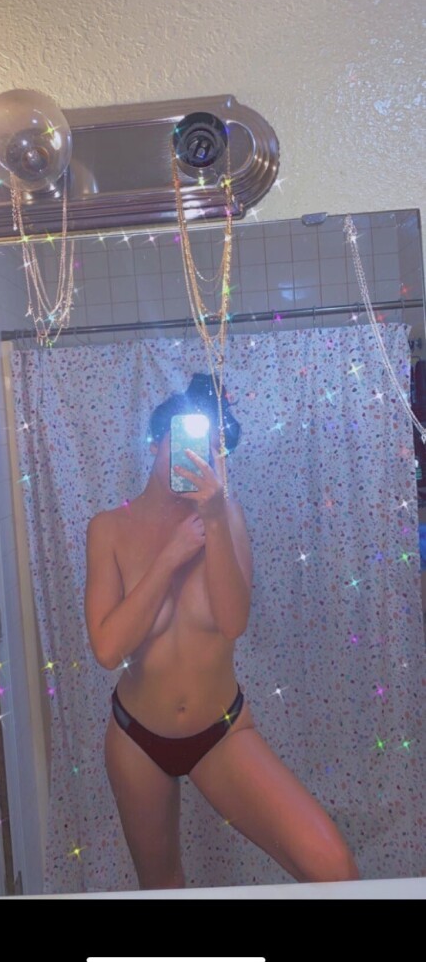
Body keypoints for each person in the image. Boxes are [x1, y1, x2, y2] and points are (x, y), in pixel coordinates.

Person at [84, 373, 359, 890]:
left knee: (334, 869)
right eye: (185, 441)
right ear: (158, 440)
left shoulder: (226, 515)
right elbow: (107, 648)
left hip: (221, 731)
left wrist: (212, 518)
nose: (195, 457)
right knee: (162, 885)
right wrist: (170, 558)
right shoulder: (108, 529)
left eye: (209, 449)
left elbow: (233, 622)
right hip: (135, 737)